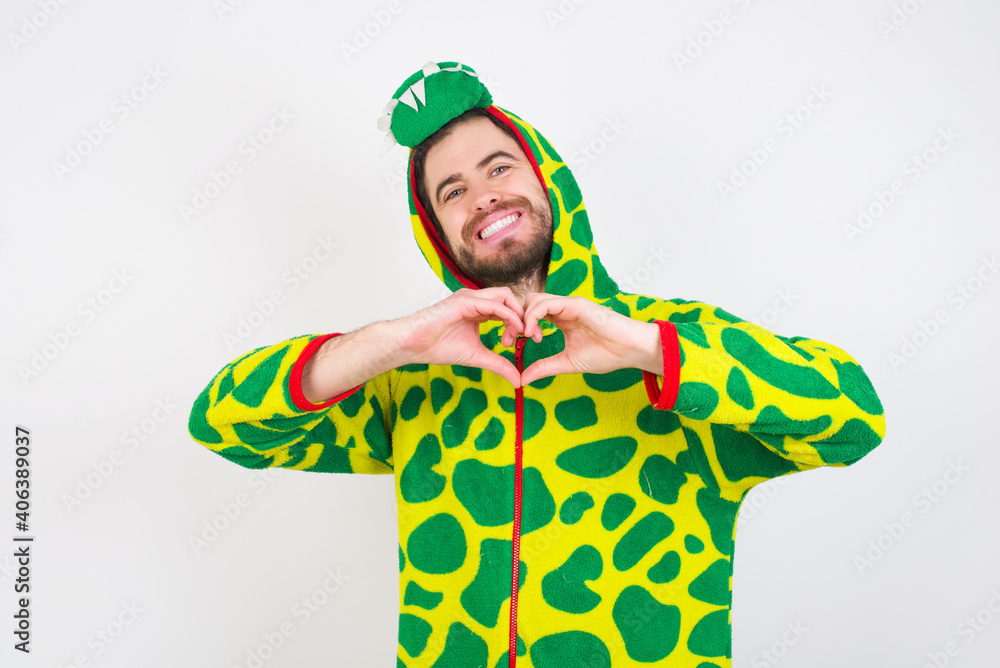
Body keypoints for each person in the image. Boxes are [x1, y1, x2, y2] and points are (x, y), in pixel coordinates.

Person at [188, 60, 887, 668]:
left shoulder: (676, 343)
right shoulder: (415, 378)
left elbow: (853, 418)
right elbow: (223, 424)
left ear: (549, 181)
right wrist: (394, 341)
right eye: (452, 191)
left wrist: (651, 350)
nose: (483, 195)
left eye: (499, 167)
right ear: (437, 234)